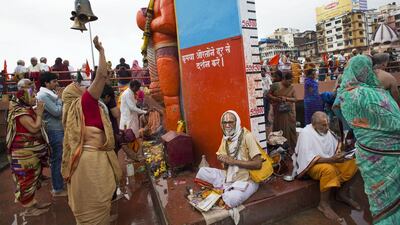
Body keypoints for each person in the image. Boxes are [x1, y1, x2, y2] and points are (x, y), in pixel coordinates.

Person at [62, 36, 122, 225]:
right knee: (93, 205)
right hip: (90, 162)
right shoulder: (84, 102)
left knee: (97, 205)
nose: (84, 87)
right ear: (75, 93)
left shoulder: (78, 107)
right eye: (79, 86)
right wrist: (101, 51)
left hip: (88, 160)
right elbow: (102, 76)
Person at [336, 55, 400, 225]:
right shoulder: (377, 94)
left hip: (366, 150)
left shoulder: (344, 95)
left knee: (376, 196)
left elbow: (342, 114)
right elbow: (395, 121)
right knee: (393, 197)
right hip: (389, 153)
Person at [292, 112, 359, 224]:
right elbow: (308, 159)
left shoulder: (327, 131)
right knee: (329, 170)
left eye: (327, 124)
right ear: (314, 125)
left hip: (330, 161)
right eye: (323, 125)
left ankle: (342, 193)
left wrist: (341, 155)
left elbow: (334, 149)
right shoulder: (306, 133)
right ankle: (323, 204)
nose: (327, 127)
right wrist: (332, 159)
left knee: (356, 163)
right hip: (311, 166)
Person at [195, 110, 271, 208]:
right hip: (228, 176)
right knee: (202, 171)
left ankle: (224, 191)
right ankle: (225, 189)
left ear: (237, 122)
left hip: (247, 180)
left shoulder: (247, 136)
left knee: (231, 198)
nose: (227, 125)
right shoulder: (226, 138)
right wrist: (224, 161)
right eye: (225, 122)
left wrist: (233, 161)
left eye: (230, 122)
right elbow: (226, 165)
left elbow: (258, 164)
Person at [6, 79, 51, 216]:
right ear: (23, 94)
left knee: (33, 178)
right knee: (26, 180)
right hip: (23, 154)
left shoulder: (25, 108)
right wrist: (39, 113)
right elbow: (34, 128)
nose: (35, 97)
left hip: (31, 153)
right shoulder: (20, 111)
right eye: (32, 94)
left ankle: (33, 203)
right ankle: (28, 209)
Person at [36, 72, 66, 197]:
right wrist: (60, 99)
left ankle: (59, 184)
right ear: (46, 83)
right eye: (54, 81)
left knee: (59, 158)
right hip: (54, 130)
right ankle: (57, 188)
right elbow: (57, 112)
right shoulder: (43, 95)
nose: (56, 83)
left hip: (57, 129)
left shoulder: (49, 93)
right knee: (56, 159)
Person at [268, 72, 297, 151]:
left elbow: (295, 99)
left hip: (289, 112)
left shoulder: (292, 87)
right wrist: (276, 99)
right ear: (284, 79)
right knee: (279, 128)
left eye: (291, 81)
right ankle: (279, 147)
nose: (290, 83)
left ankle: (291, 148)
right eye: (289, 81)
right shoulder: (276, 85)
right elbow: (268, 94)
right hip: (278, 112)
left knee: (291, 129)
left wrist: (286, 99)